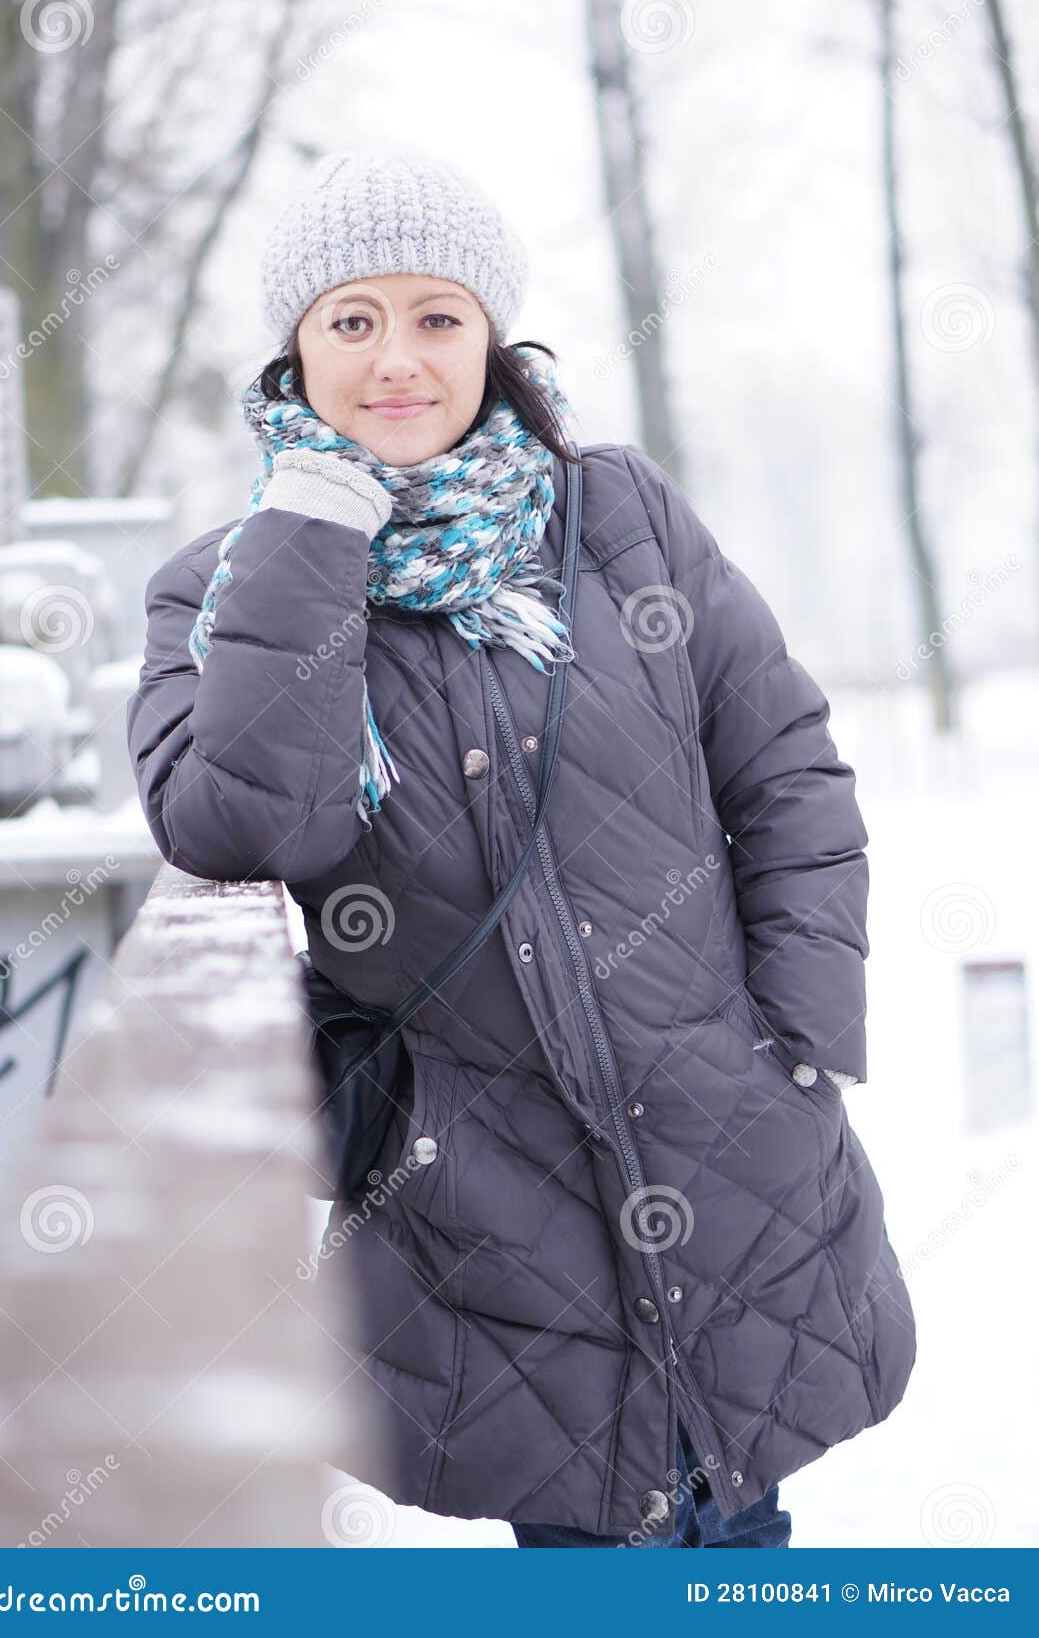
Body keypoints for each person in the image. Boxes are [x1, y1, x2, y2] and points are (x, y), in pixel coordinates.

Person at [126, 146, 916, 1548]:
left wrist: (795, 1041)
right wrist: (315, 533)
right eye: (351, 320)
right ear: (294, 349)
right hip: (480, 1197)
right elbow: (250, 822)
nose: (397, 361)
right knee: (589, 1540)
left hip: (724, 1147)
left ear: (492, 337)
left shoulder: (616, 520)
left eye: (438, 317)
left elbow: (785, 771)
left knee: (737, 1522)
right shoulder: (220, 583)